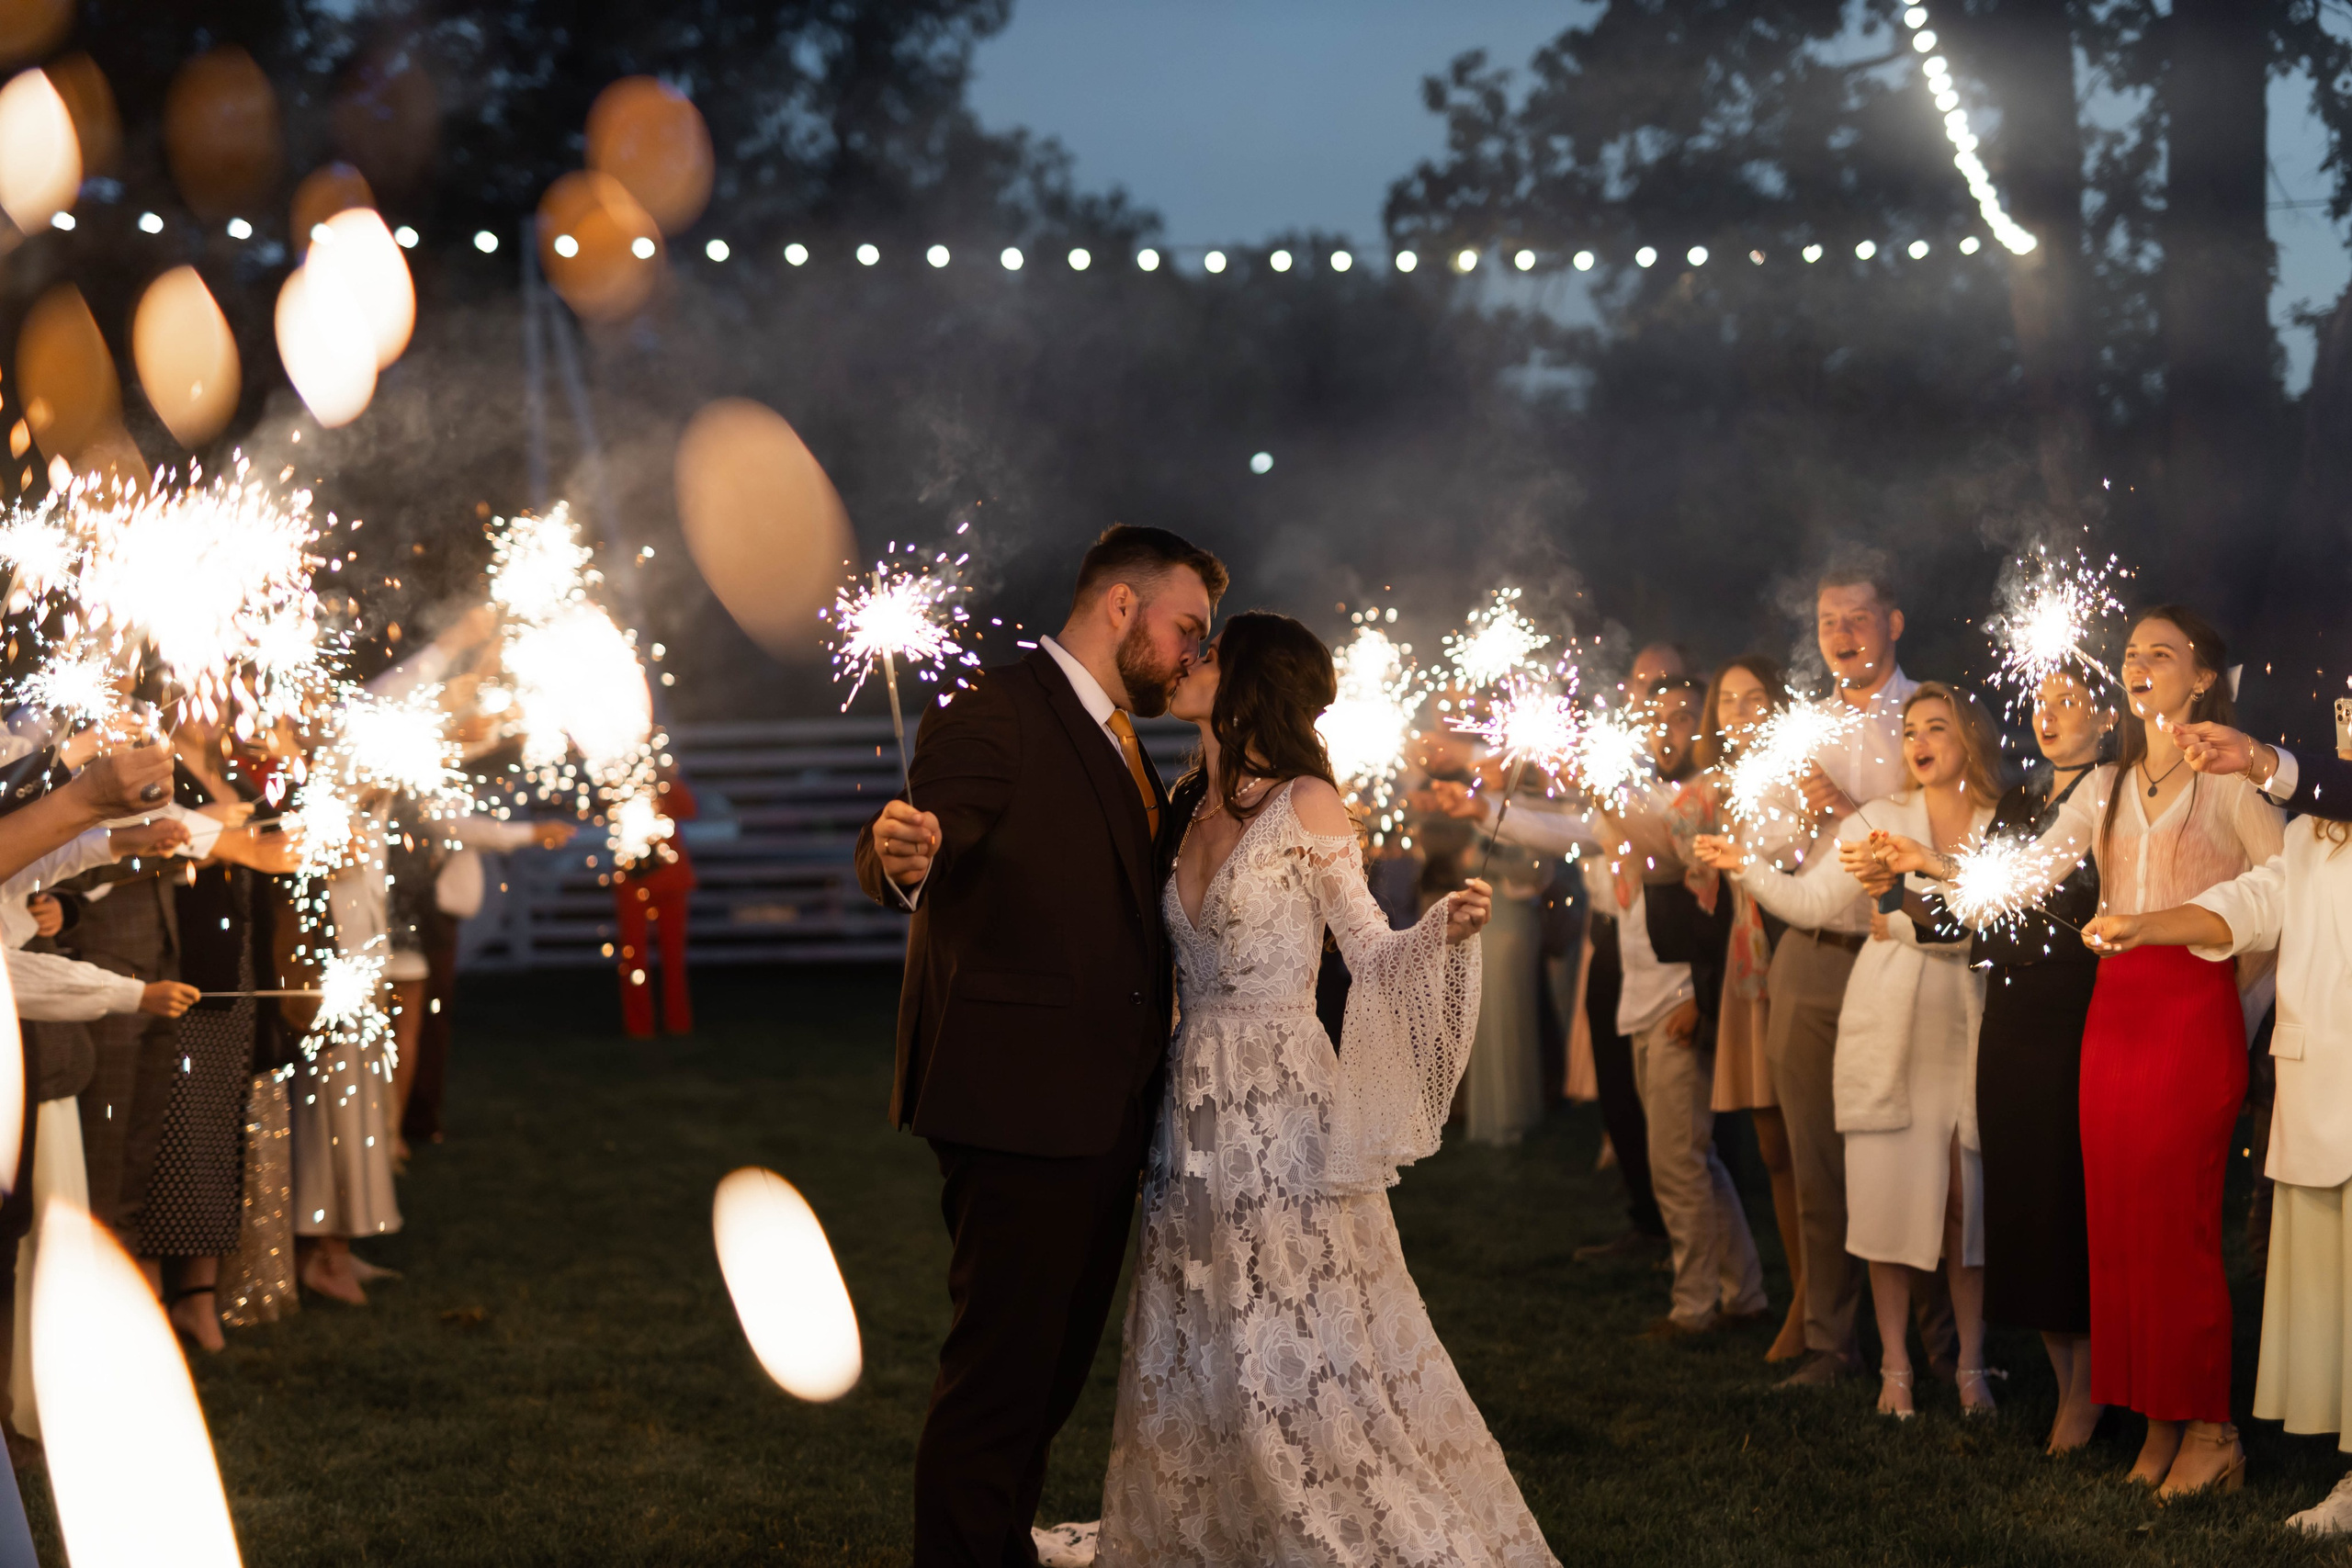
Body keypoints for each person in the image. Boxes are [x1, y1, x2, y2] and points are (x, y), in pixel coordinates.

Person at [1091, 612, 1549, 1566]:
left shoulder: (1308, 804)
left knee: (1295, 1315)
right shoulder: (1182, 804)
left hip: (1285, 1103)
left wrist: (1443, 932)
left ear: (1249, 682)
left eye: (1213, 653)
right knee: (1202, 1309)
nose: (1191, 661)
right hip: (1192, 1106)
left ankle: (1326, 1508)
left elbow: (1371, 952)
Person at [854, 524, 1222, 1567]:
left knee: (1048, 1379)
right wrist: (901, 855)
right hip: (1018, 1102)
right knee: (1000, 1381)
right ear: (1122, 605)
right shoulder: (996, 706)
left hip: (1101, 1109)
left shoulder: (1122, 739)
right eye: (1187, 627)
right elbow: (923, 835)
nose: (1193, 653)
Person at [1871, 607, 2280, 1494]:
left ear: (2202, 679)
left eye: (2162, 653)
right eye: (2131, 652)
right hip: (2114, 1019)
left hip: (2191, 1012)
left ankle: (2213, 1429)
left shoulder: (2231, 779)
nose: (2140, 664)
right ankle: (2157, 1425)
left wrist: (2232, 1000)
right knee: (2122, 1233)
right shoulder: (2108, 786)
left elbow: (2283, 899)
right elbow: (2024, 878)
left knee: (2179, 1234)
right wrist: (1930, 863)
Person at [1698, 682, 2000, 1418]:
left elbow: (1994, 919)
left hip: (1964, 1026)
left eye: (1937, 727)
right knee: (1886, 1195)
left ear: (1970, 737)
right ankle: (1895, 1367)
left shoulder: (1999, 825)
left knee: (1964, 1202)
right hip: (1889, 1021)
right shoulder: (1878, 818)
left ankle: (1970, 1365)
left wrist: (1903, 909)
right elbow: (1809, 901)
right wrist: (1746, 864)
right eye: (1911, 730)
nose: (1919, 741)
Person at [2092, 709, 2352, 1531]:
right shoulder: (2310, 836)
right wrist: (2145, 925)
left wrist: (2262, 759)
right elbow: (2247, 903)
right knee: (2340, 1292)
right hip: (2322, 1094)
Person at [1914, 671, 2112, 1451]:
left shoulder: (2111, 795)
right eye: (2041, 703)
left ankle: (2092, 1388)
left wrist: (1929, 864)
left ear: (2108, 715)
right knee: (2023, 1199)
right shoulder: (2023, 800)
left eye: (2069, 702)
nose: (2048, 716)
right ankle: (2065, 1378)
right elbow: (1972, 907)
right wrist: (1901, 888)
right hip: (2009, 1016)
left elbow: (2021, 886)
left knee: (2063, 1197)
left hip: (2073, 1015)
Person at [1750, 568, 1928, 1389]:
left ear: (1894, 621)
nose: (1843, 633)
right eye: (1829, 620)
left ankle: (1936, 1341)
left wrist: (1850, 804)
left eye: (1859, 616)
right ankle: (1831, 1337)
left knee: (1910, 1148)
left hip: (1902, 954)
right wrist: (1795, 810)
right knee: (1814, 1155)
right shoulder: (1803, 728)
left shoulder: (1930, 713)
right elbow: (1770, 841)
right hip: (1813, 949)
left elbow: (1944, 828)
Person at [1695, 654, 1808, 1360]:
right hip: (1745, 970)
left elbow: (1797, 855)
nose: (1739, 711)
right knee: (1773, 1147)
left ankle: (1820, 1302)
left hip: (1792, 951)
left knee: (1808, 1141)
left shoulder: (1801, 775)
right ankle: (1804, 1293)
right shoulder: (1715, 787)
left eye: (1754, 697)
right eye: (1728, 699)